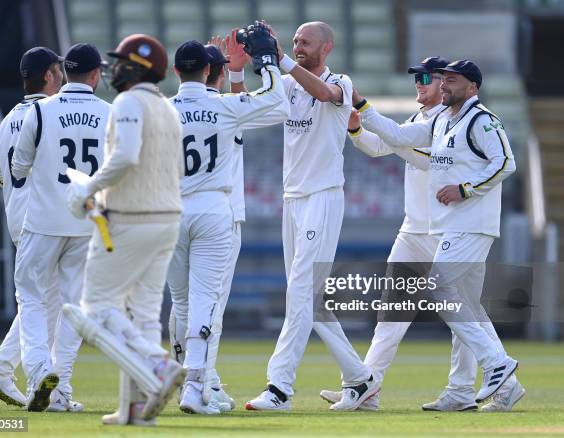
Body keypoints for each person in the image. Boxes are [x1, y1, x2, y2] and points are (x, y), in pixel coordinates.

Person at [355, 59, 523, 407]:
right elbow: (399, 137)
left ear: (472, 87)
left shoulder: (483, 120)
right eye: (443, 78)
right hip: (451, 225)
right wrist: (361, 109)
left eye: (452, 79)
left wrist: (465, 189)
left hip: (473, 224)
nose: (443, 84)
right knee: (467, 307)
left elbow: (506, 163)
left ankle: (497, 364)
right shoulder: (442, 121)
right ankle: (469, 392)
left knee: (440, 288)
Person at [245, 21, 377, 412]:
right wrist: (240, 69)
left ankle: (279, 388)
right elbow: (249, 111)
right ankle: (361, 379)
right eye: (295, 42)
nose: (299, 46)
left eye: (305, 42)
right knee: (311, 301)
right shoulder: (287, 85)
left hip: (323, 196)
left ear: (327, 47)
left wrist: (281, 58)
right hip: (292, 200)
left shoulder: (342, 82)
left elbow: (325, 93)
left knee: (299, 293)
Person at [63, 34, 185, 426]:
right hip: (168, 219)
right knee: (145, 316)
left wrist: (89, 187)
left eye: (120, 63)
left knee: (95, 310)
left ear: (137, 68)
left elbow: (127, 155)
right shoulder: (167, 107)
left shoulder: (129, 102)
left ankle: (159, 367)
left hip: (131, 219)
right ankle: (133, 408)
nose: (112, 70)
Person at [166, 27, 288, 414]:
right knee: (205, 302)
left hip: (170, 210)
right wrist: (265, 59)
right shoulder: (224, 107)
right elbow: (276, 100)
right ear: (208, 71)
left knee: (181, 303)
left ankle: (191, 382)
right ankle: (196, 388)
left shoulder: (162, 109)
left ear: (175, 70)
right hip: (214, 209)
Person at [319, 56, 449, 411]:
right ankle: (366, 388)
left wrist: (365, 108)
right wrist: (356, 128)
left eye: (425, 77)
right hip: (412, 229)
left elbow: (417, 154)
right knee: (390, 315)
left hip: (444, 230)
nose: (418, 84)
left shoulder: (448, 122)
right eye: (416, 78)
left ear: (445, 83)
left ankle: (477, 385)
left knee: (463, 315)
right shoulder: (417, 118)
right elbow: (380, 148)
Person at [12, 43, 110, 411]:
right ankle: (61, 388)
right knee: (73, 307)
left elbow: (19, 169)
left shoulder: (39, 110)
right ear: (95, 74)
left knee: (32, 299)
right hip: (86, 222)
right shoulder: (111, 113)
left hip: (42, 223)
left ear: (64, 73)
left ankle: (39, 375)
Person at [0, 46, 66, 410]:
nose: (62, 77)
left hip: (18, 215)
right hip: (45, 217)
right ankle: (37, 375)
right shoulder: (48, 114)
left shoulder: (7, 119)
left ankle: (3, 365)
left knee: (44, 300)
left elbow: (0, 174)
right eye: (59, 71)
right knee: (46, 301)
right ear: (47, 75)